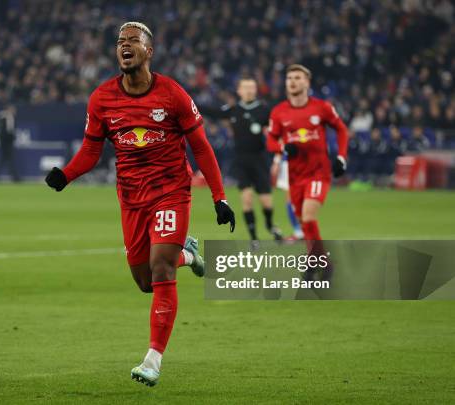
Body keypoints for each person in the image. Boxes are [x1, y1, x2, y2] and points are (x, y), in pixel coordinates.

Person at [45, 22, 235, 387]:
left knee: (161, 269)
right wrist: (66, 175)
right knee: (145, 281)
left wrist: (219, 197)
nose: (124, 47)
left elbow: (201, 148)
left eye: (133, 41)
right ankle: (189, 255)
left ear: (149, 51)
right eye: (120, 42)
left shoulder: (172, 95)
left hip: (171, 192)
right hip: (131, 198)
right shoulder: (101, 98)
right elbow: (90, 150)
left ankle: (153, 359)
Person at [266, 64, 348, 242]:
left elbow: (342, 130)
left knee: (309, 216)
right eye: (289, 78)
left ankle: (317, 265)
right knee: (304, 222)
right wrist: (282, 148)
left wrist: (341, 157)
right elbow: (271, 141)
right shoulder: (278, 112)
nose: (292, 82)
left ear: (307, 83)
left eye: (297, 78)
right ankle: (321, 265)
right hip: (295, 175)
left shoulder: (322, 107)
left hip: (318, 172)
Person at [201, 78, 282, 243]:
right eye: (245, 87)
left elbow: (277, 130)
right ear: (239, 91)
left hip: (260, 159)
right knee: (246, 199)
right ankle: (254, 238)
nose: (249, 90)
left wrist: (277, 154)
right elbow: (214, 112)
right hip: (241, 160)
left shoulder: (264, 110)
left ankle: (270, 224)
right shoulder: (233, 110)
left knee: (266, 202)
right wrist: (190, 103)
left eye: (252, 87)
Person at [0, 105, 20, 181]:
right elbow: (8, 131)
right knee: (8, 159)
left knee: (4, 160)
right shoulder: (8, 118)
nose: (15, 112)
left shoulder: (2, 117)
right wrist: (12, 138)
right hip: (6, 142)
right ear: (9, 109)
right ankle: (15, 177)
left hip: (3, 142)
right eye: (13, 110)